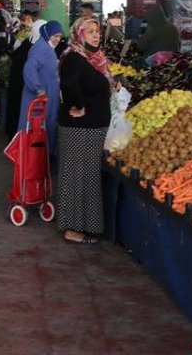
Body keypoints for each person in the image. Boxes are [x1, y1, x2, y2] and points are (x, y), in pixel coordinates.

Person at [56, 18, 113, 245]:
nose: (95, 35)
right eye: (89, 31)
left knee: (88, 177)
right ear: (79, 34)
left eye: (97, 30)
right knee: (76, 176)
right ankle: (72, 228)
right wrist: (80, 106)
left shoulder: (94, 59)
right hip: (79, 129)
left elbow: (96, 84)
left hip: (93, 127)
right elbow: (68, 85)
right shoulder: (74, 57)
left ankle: (88, 226)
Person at [21, 21, 64, 155]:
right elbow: (29, 69)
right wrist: (38, 89)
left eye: (59, 36)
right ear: (47, 34)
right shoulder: (41, 48)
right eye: (55, 36)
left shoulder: (46, 47)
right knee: (36, 129)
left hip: (47, 96)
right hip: (39, 98)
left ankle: (43, 159)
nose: (57, 39)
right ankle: (35, 160)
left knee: (45, 128)